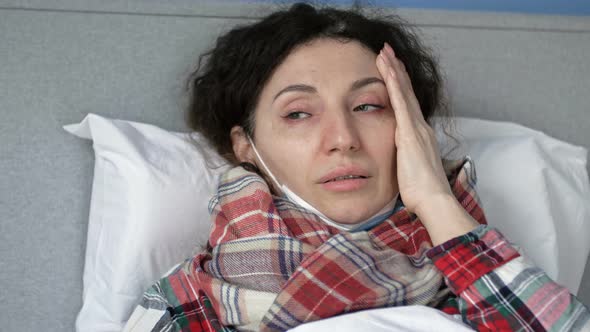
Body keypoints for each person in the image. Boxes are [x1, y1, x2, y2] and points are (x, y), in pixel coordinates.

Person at [124, 3, 590, 331]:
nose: (343, 139)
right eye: (298, 114)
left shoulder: (484, 280)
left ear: (411, 129)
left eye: (369, 106)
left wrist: (435, 201)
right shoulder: (187, 302)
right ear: (245, 144)